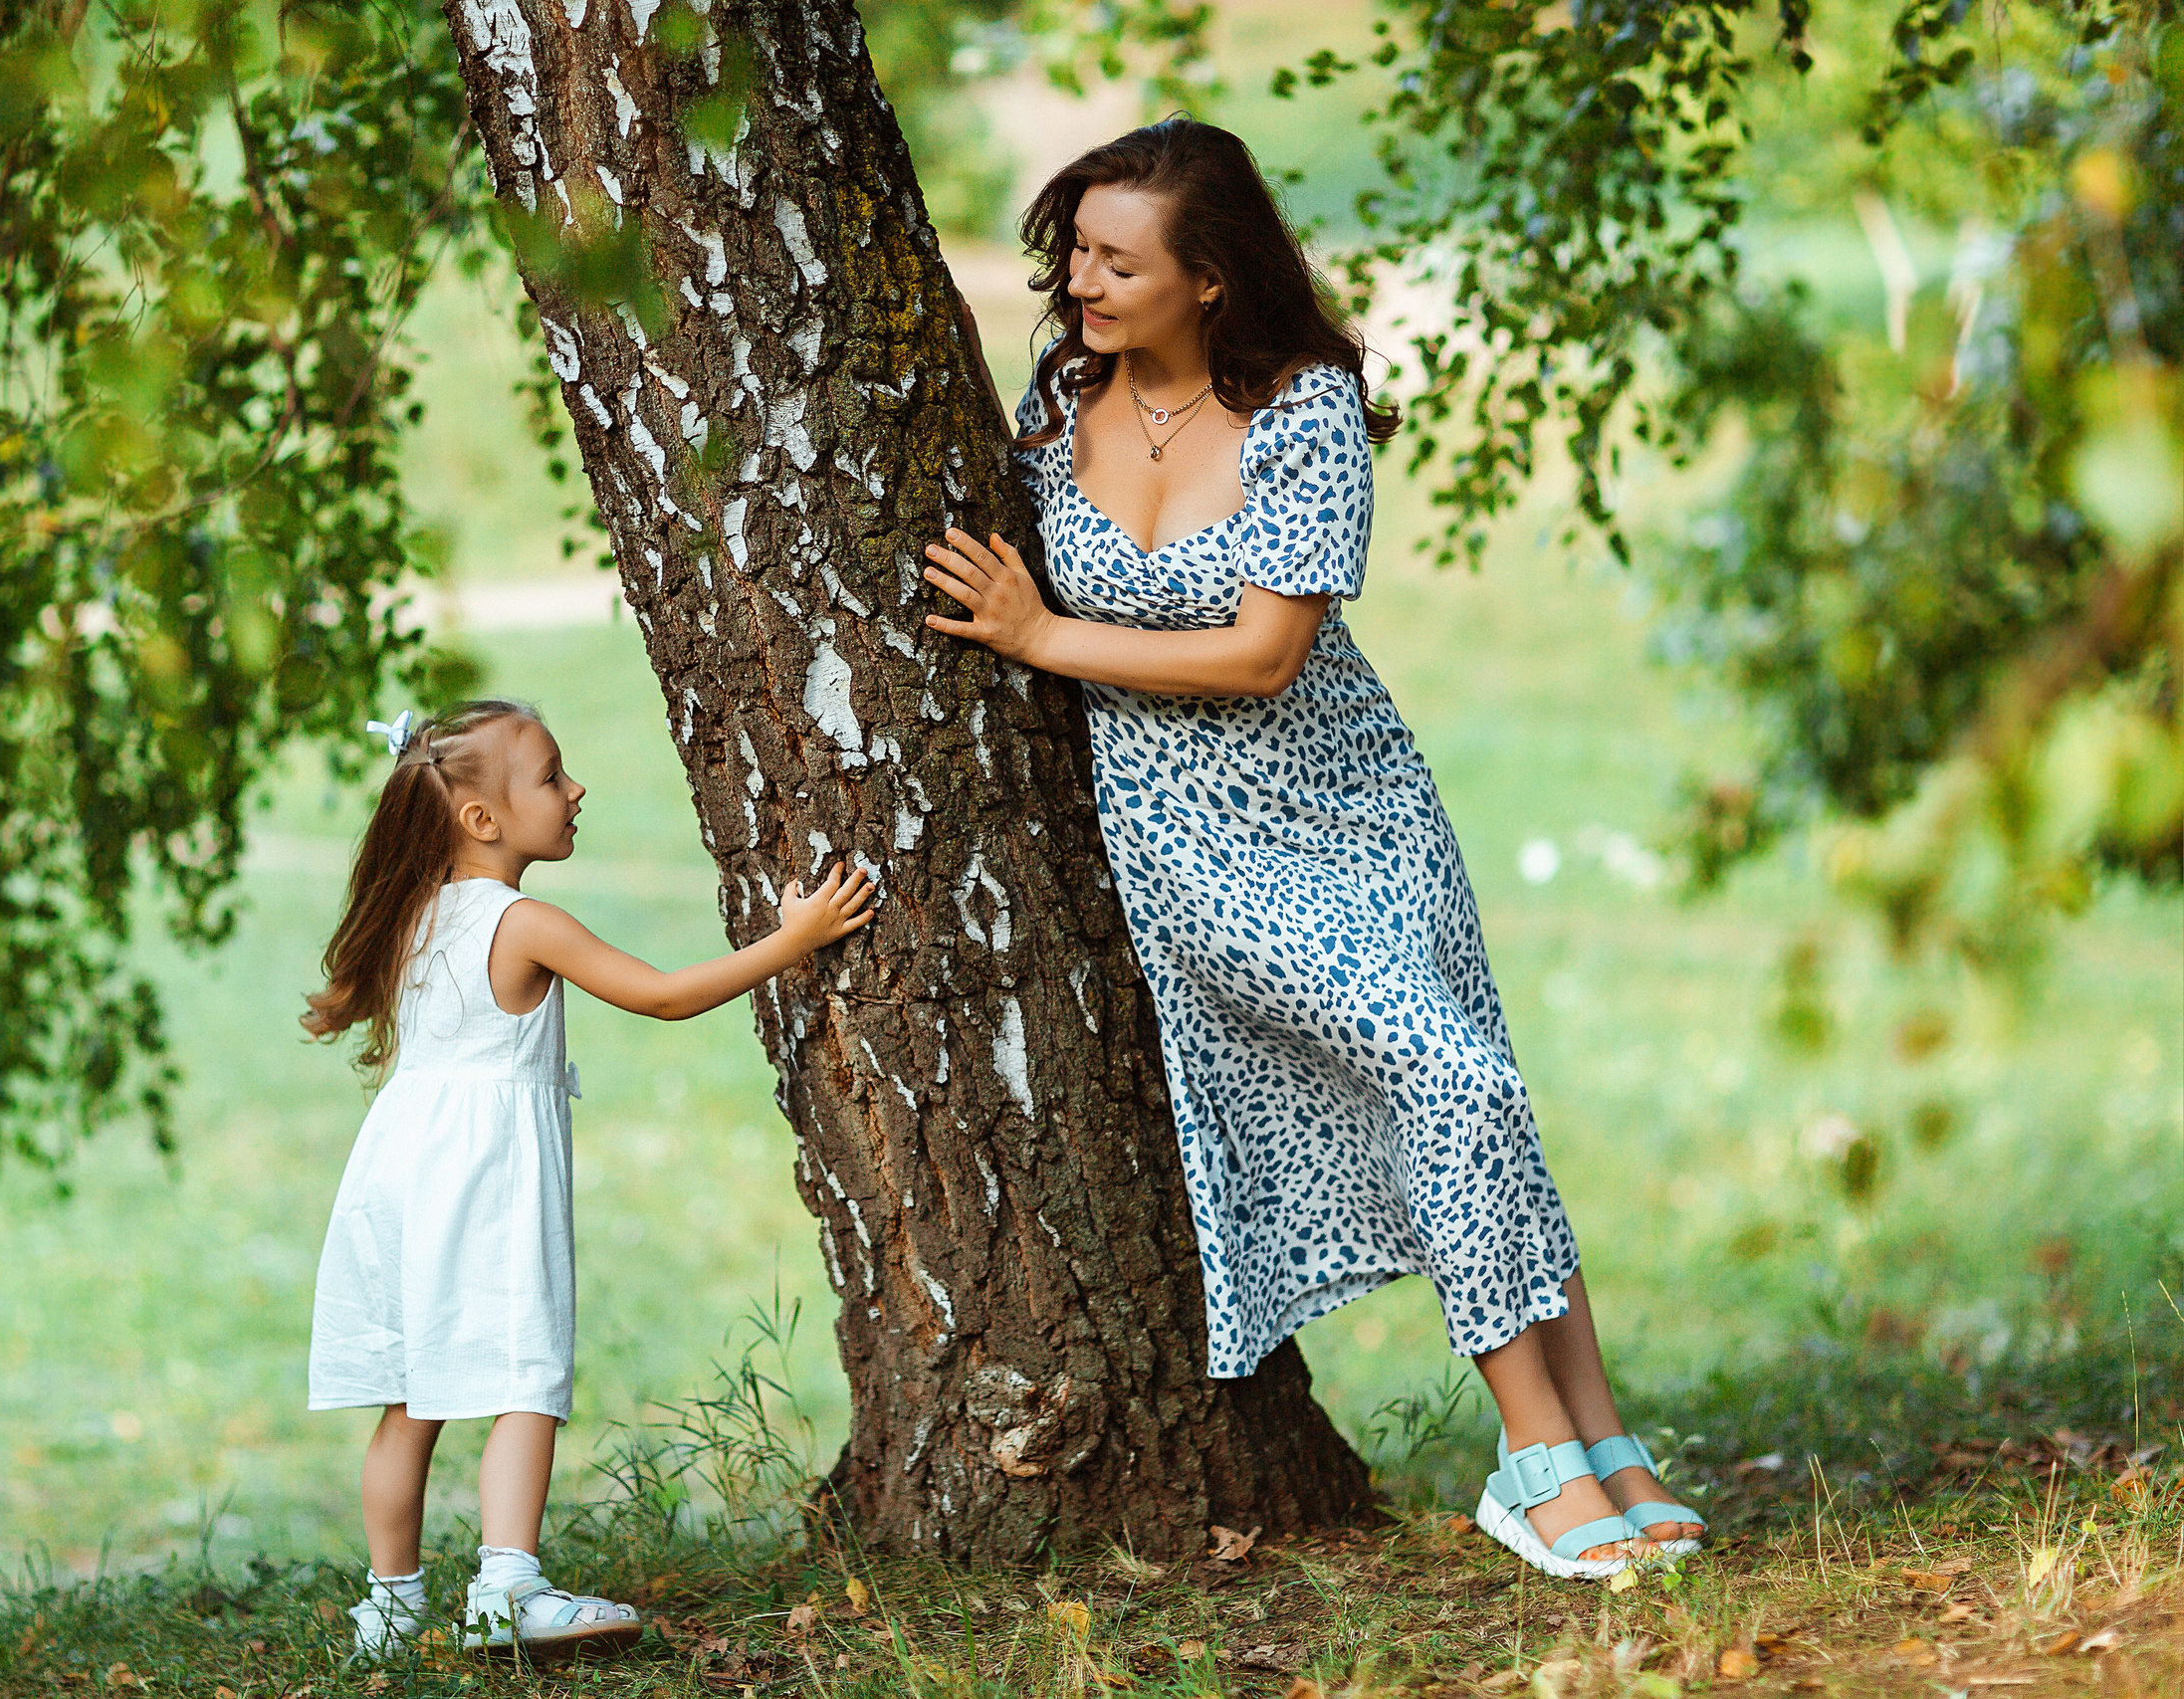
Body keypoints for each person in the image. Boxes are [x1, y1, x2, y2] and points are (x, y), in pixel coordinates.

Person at [919, 118, 1705, 1579]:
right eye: (1077, 250)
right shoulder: (1059, 397)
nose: (1081, 282)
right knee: (1450, 1076)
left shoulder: (1306, 408)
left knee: (1478, 1092)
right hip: (1189, 838)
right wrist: (1033, 635)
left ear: (1210, 276)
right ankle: (1534, 1457)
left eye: (1119, 262)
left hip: (1356, 807)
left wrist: (1041, 638)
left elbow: (1263, 653)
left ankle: (1601, 1444)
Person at [299, 700, 876, 1658]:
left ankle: (390, 1609)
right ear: (482, 818)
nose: (576, 789)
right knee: (524, 1373)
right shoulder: (524, 922)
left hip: (398, 1175)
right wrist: (795, 938)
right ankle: (506, 1590)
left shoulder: (414, 914)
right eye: (551, 776)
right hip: (483, 1178)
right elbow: (662, 995)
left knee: (410, 1397)